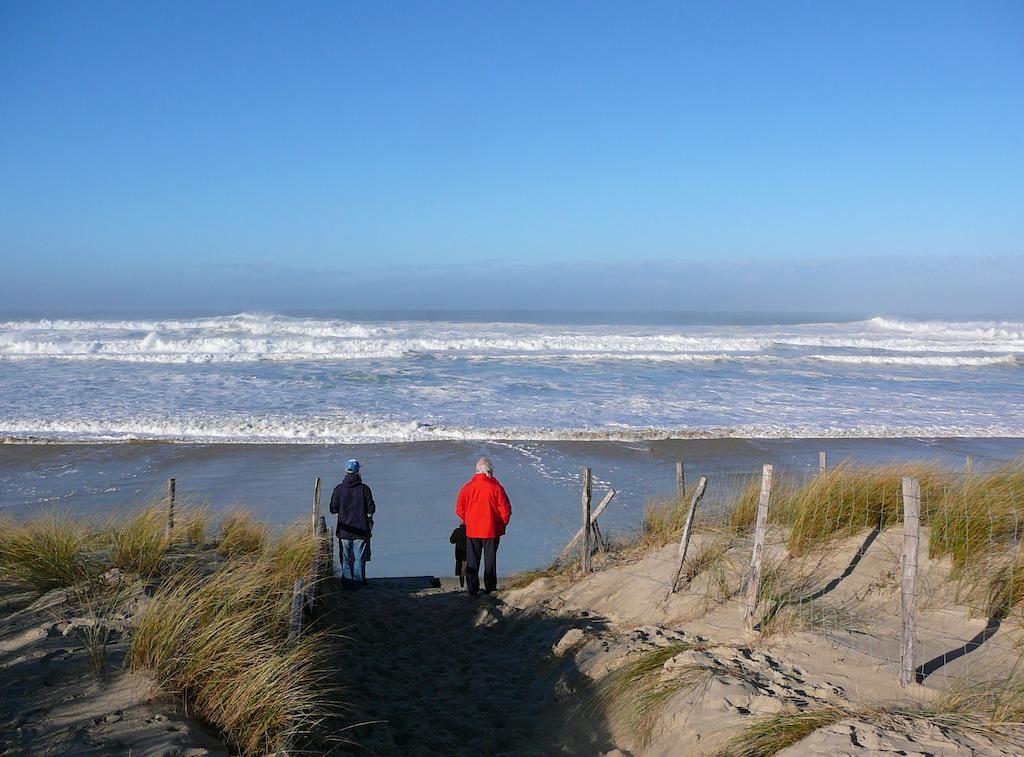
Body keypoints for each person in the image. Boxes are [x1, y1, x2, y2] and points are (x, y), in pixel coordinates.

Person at [455, 457, 511, 596]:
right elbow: (506, 510)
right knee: (490, 560)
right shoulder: (496, 487)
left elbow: (459, 509)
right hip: (491, 529)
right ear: (489, 471)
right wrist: (501, 524)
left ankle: (472, 589)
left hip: (473, 529)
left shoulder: (467, 487)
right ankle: (490, 587)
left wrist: (467, 520)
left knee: (472, 560)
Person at [329, 459, 375, 589]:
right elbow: (371, 509)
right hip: (361, 530)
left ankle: (348, 585)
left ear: (346, 471)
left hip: (344, 530)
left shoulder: (339, 489)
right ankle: (359, 584)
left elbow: (333, 509)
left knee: (346, 559)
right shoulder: (365, 489)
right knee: (359, 558)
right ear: (358, 472)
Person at [449, 522, 467, 587]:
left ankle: (462, 585)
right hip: (468, 552)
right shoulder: (469, 531)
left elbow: (452, 541)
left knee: (460, 570)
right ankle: (469, 584)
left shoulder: (457, 531)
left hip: (459, 552)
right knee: (467, 569)